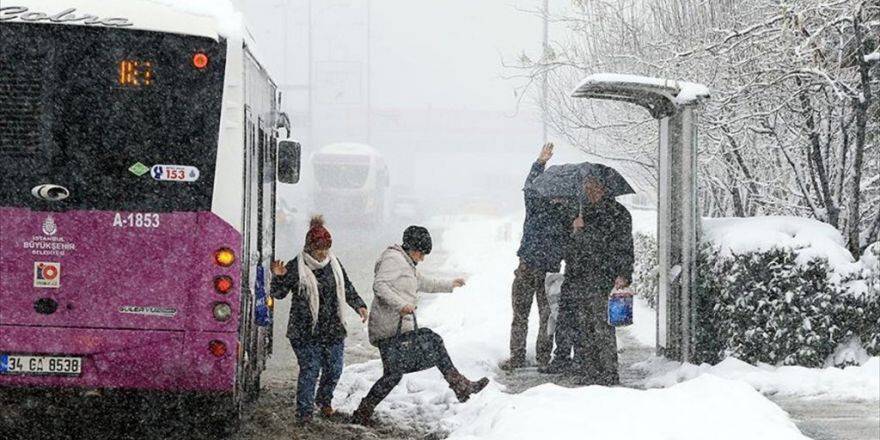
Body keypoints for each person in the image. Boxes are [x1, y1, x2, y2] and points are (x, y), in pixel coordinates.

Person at [351, 226, 489, 426]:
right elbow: (379, 285)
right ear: (412, 247)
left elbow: (424, 282)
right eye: (422, 253)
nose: (422, 258)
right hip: (388, 328)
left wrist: (450, 284)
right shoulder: (393, 260)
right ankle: (460, 386)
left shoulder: (406, 263)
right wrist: (402, 305)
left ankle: (363, 412)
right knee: (426, 345)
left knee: (394, 373)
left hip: (396, 328)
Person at [270, 216, 368, 424]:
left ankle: (324, 400)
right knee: (311, 369)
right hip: (305, 332)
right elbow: (278, 294)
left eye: (326, 248)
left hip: (333, 329)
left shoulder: (334, 264)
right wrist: (278, 276)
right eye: (319, 249)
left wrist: (359, 305)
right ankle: (304, 414)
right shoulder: (296, 267)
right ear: (309, 248)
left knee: (334, 369)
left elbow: (347, 287)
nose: (323, 253)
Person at [554, 176, 634, 385]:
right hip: (578, 277)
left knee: (603, 326)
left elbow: (625, 247)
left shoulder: (618, 214)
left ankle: (608, 372)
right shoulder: (578, 212)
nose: (590, 192)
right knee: (582, 326)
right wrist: (574, 230)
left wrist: (624, 273)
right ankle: (587, 370)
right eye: (587, 187)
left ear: (604, 189)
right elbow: (565, 249)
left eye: (594, 187)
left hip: (603, 277)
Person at [501, 142, 570, 371]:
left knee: (538, 317)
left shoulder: (546, 208)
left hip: (536, 269)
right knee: (537, 316)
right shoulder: (544, 208)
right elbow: (529, 187)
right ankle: (533, 357)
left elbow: (529, 187)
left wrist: (539, 163)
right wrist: (539, 163)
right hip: (537, 268)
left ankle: (530, 357)